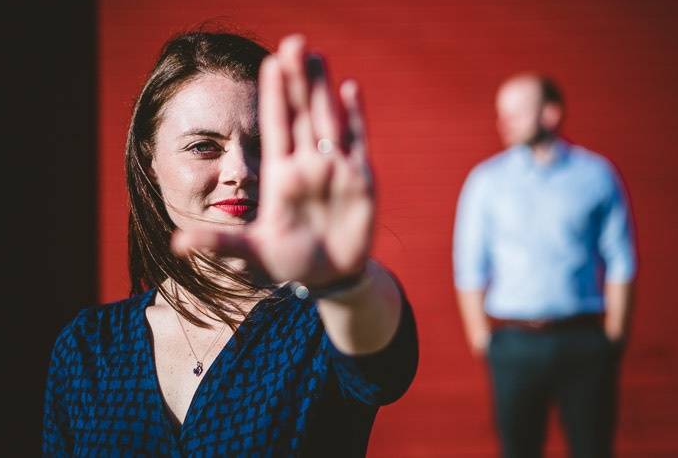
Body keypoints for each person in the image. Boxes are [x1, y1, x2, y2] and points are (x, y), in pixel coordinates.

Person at [42, 31, 418, 456]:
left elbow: (382, 363)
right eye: (204, 147)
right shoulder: (90, 348)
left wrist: (345, 283)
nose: (240, 169)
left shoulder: (320, 322)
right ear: (150, 162)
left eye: (263, 147)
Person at [453, 74, 636, 458]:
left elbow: (620, 257)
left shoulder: (596, 175)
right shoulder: (487, 181)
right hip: (514, 344)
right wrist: (482, 339)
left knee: (593, 449)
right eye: (502, 114)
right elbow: (468, 265)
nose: (505, 122)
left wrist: (614, 334)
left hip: (583, 341)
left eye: (517, 112)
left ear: (550, 114)